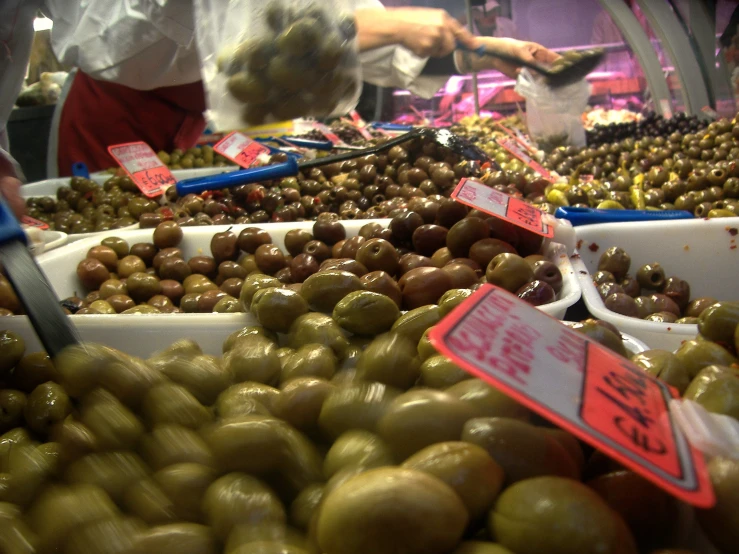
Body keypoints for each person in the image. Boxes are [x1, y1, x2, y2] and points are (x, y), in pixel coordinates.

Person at [0, 1, 555, 217]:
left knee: (177, 209)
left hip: (194, 127)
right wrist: (359, 26)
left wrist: (482, 53)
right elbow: (116, 41)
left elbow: (357, 36)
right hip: (111, 118)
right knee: (108, 217)